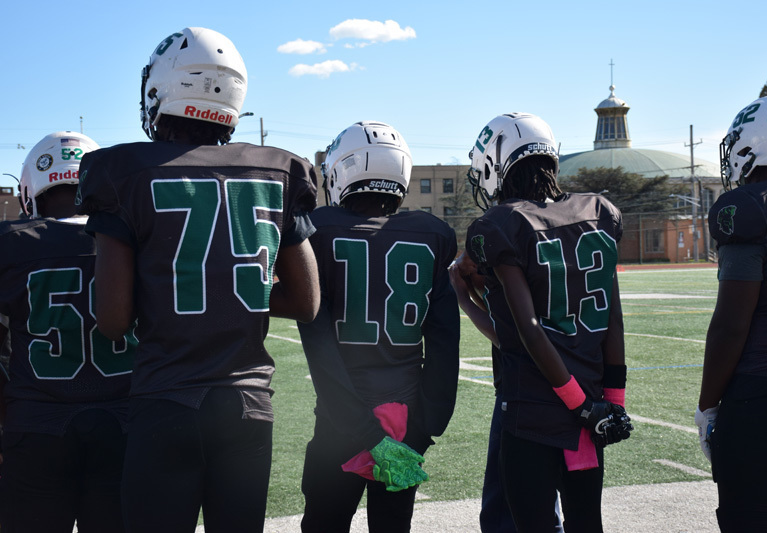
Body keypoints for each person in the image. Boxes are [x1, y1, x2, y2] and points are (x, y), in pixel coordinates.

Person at [75, 27, 320, 533]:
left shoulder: (123, 171)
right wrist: (234, 289)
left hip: (166, 401)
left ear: (161, 89)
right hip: (248, 405)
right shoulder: (277, 171)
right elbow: (306, 301)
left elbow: (114, 321)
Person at [450, 112, 631, 532]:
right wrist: (611, 403)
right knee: (587, 523)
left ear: (497, 167)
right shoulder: (597, 210)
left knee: (530, 524)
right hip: (589, 411)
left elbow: (527, 332)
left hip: (534, 412)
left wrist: (462, 294)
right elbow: (612, 322)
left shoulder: (502, 224)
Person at [296, 121, 460, 533]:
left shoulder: (318, 231)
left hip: (340, 420)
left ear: (339, 172)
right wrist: (425, 427)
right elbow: (444, 342)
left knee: (323, 525)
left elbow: (320, 348)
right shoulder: (433, 235)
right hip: (406, 420)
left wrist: (363, 430)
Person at [0, 131, 135, 533]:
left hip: (35, 424)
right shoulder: (133, 239)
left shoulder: (11, 244)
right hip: (126, 421)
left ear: (30, 190)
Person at [697, 94, 767, 532]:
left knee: (746, 519)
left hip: (766, 389)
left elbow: (732, 325)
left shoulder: (756, 206)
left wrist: (707, 404)